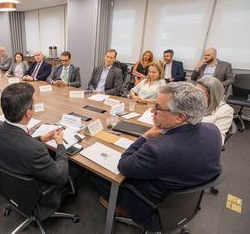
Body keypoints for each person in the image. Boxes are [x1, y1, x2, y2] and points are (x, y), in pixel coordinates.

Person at [92, 82, 222, 232]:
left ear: (180, 117)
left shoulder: (158, 149)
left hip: (153, 208)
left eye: (158, 107)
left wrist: (145, 136)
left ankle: (120, 205)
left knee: (92, 171)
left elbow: (124, 164)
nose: (152, 110)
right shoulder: (213, 130)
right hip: (186, 203)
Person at [0, 82, 70, 220]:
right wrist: (60, 145)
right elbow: (61, 176)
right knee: (75, 172)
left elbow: (18, 145)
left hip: (8, 187)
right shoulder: (35, 150)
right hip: (35, 196)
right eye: (34, 104)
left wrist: (41, 139)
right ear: (28, 112)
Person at [196, 76, 234, 145]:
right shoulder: (196, 102)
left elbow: (219, 139)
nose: (195, 95)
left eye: (199, 92)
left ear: (212, 94)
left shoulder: (225, 110)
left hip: (201, 143)